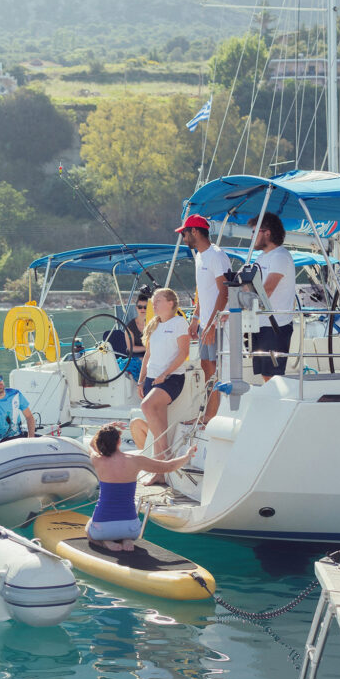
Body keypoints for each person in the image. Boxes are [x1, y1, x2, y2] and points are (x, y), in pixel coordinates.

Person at [87, 423, 197, 551]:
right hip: (131, 528)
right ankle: (127, 540)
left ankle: (107, 542)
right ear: (119, 442)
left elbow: (90, 445)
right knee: (125, 530)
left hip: (103, 528)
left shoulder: (97, 460)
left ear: (100, 441)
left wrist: (103, 428)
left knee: (89, 531)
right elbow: (168, 466)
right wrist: (187, 456)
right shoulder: (135, 460)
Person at [179, 214, 230, 421]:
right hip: (206, 323)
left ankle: (213, 415)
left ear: (194, 231)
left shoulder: (216, 256)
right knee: (206, 366)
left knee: (216, 368)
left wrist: (210, 325)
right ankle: (209, 414)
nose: (183, 238)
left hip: (217, 324)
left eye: (184, 233)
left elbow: (224, 292)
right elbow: (202, 290)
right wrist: (195, 318)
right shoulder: (200, 256)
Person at [137, 288, 190, 483]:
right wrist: (141, 380)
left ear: (170, 303)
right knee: (159, 420)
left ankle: (165, 456)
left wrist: (164, 374)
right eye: (154, 300)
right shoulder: (154, 325)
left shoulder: (179, 323)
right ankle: (159, 474)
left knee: (146, 406)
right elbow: (147, 356)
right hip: (152, 378)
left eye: (158, 300)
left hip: (172, 378)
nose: (154, 303)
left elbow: (183, 353)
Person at [249, 213, 296, 382]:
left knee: (273, 376)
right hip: (261, 323)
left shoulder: (280, 256)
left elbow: (267, 289)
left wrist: (242, 301)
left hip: (276, 324)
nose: (252, 236)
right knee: (265, 373)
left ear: (267, 233)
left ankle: (278, 405)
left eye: (254, 232)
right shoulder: (261, 258)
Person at [0, 370, 35, 446]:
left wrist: (31, 439)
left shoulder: (15, 394)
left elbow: (29, 417)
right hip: (2, 443)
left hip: (19, 437)